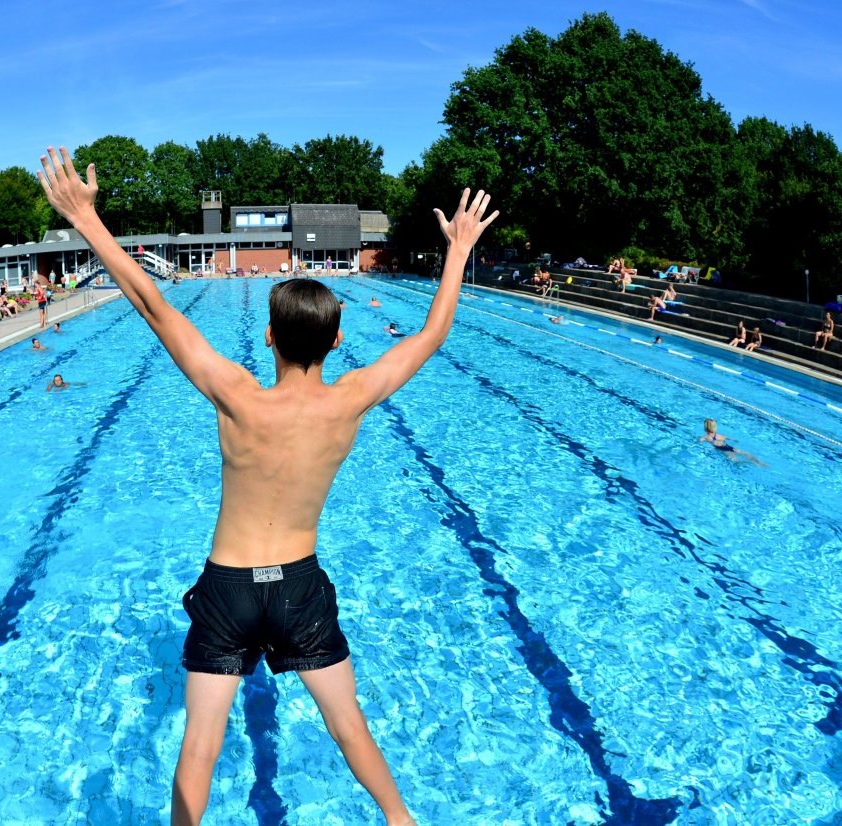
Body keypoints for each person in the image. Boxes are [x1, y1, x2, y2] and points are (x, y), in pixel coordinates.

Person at [38, 144, 498, 826]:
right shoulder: (351, 398)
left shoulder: (236, 395)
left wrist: (85, 218)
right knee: (349, 727)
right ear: (339, 342)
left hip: (228, 585)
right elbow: (432, 333)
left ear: (267, 338)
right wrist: (457, 250)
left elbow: (152, 303)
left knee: (200, 746)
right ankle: (402, 821)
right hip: (300, 588)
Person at [700, 419, 764, 466]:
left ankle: (752, 464)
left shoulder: (706, 437)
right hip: (731, 447)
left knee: (736, 462)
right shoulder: (720, 436)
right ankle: (759, 462)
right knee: (746, 454)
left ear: (705, 428)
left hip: (725, 450)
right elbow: (729, 438)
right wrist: (734, 440)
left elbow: (700, 441)